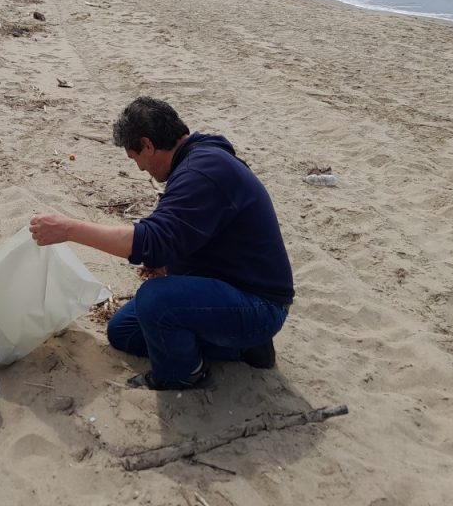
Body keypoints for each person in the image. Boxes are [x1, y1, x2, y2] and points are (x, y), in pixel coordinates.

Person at [29, 97, 294, 390]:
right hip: (229, 285)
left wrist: (68, 229)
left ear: (148, 145)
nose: (141, 168)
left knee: (156, 300)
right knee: (123, 331)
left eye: (135, 158)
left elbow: (150, 241)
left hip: (258, 305)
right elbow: (192, 232)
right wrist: (171, 264)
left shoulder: (202, 171)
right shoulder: (198, 160)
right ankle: (242, 349)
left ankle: (184, 374)